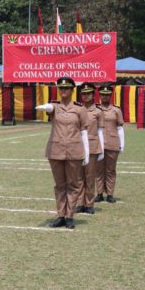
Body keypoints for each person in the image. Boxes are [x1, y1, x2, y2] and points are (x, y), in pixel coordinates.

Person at [36, 77, 89, 229]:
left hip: (74, 150)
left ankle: (70, 215)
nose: (63, 90)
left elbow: (84, 131)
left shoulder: (80, 109)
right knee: (60, 185)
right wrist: (42, 107)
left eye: (66, 88)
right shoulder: (54, 106)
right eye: (61, 88)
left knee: (73, 184)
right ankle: (60, 215)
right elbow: (48, 108)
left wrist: (86, 152)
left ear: (72, 90)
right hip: (56, 150)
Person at [74, 82, 104, 215]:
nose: (86, 96)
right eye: (84, 94)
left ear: (93, 95)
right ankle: (80, 203)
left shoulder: (98, 112)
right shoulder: (76, 110)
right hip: (78, 146)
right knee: (79, 177)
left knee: (90, 176)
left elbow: (100, 132)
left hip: (92, 147)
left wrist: (101, 149)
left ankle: (89, 204)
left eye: (88, 93)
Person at [95, 84, 125, 203]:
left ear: (110, 96)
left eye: (107, 95)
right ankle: (100, 193)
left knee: (111, 170)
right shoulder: (95, 109)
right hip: (99, 143)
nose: (105, 97)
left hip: (113, 142)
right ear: (100, 95)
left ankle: (110, 194)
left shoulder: (116, 110)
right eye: (103, 94)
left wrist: (122, 144)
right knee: (99, 170)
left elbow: (120, 128)